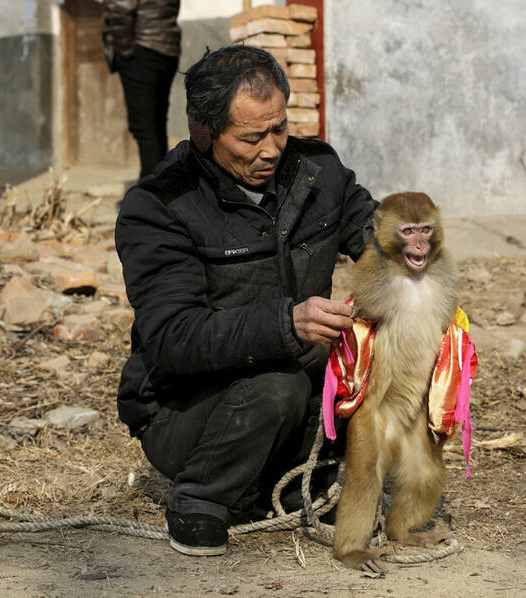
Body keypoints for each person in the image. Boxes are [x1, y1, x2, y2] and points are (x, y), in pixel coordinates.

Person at [114, 45, 378, 556]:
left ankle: (304, 482)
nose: (272, 149)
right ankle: (200, 499)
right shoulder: (159, 205)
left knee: (382, 346)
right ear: (202, 129)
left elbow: (375, 236)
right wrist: (287, 323)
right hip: (187, 409)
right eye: (251, 137)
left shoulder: (318, 172)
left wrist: (412, 261)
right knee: (275, 385)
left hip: (299, 383)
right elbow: (173, 338)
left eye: (279, 128)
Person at [102, 0, 181, 178]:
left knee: (145, 128)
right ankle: (162, 187)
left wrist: (124, 52)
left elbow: (120, 10)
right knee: (156, 125)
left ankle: (150, 194)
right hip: (167, 48)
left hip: (141, 50)